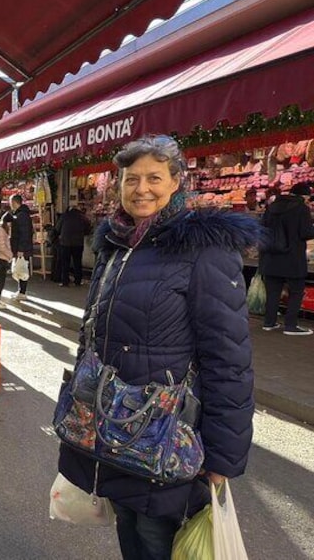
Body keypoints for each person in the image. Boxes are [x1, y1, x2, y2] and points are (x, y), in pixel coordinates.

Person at [55, 135, 260, 560]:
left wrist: (223, 456)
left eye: (154, 177)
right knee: (130, 528)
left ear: (175, 182)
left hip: (164, 435)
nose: (141, 189)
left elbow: (229, 359)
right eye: (132, 179)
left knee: (155, 538)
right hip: (115, 430)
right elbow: (91, 338)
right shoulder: (116, 246)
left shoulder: (203, 250)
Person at [260, 182, 314, 335]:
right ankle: (291, 326)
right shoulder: (301, 209)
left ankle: (269, 323)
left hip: (270, 256)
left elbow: (262, 229)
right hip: (292, 257)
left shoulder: (271, 206)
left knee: (273, 292)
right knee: (296, 291)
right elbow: (306, 233)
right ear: (303, 196)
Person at [55, 206, 92, 287]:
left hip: (65, 242)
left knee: (65, 263)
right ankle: (78, 281)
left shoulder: (64, 216)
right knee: (77, 262)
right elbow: (88, 229)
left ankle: (65, 281)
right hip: (78, 243)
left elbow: (57, 228)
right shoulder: (82, 217)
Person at [9, 194, 33, 299]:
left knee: (22, 269)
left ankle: (22, 292)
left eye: (11, 203)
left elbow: (24, 233)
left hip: (22, 248)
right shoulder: (21, 214)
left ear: (14, 203)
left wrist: (21, 249)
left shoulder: (21, 215)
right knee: (20, 268)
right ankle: (21, 291)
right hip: (21, 247)